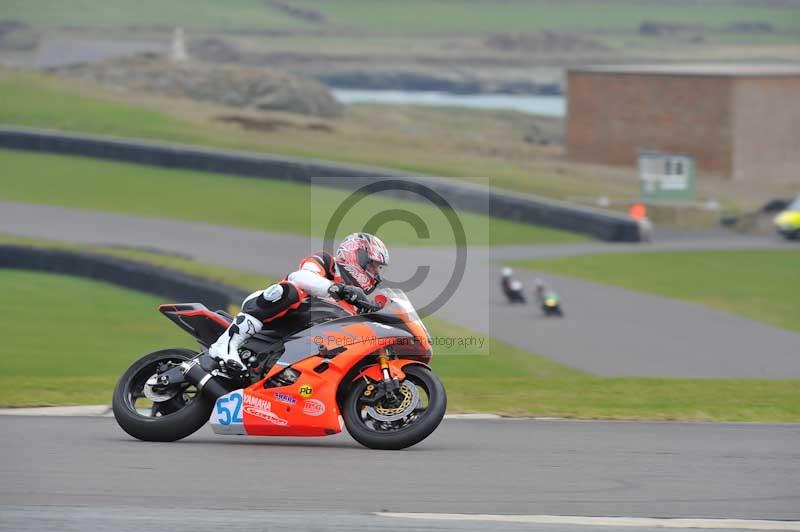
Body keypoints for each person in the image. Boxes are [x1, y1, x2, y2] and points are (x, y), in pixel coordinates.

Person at [209, 232, 390, 371]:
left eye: (377, 268)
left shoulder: (354, 302)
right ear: (356, 255)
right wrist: (337, 289)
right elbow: (300, 276)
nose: (375, 273)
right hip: (269, 309)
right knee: (291, 291)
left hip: (297, 339)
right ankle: (226, 343)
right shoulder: (327, 262)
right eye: (373, 266)